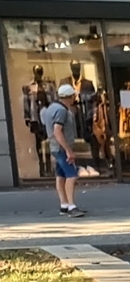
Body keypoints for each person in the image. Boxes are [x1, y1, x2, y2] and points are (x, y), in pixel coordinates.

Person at [40, 84, 85, 217]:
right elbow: (57, 131)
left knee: (60, 176)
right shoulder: (62, 111)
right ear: (70, 97)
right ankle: (72, 206)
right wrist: (68, 150)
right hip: (61, 148)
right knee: (71, 175)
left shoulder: (51, 108)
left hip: (55, 147)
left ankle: (64, 204)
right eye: (73, 96)